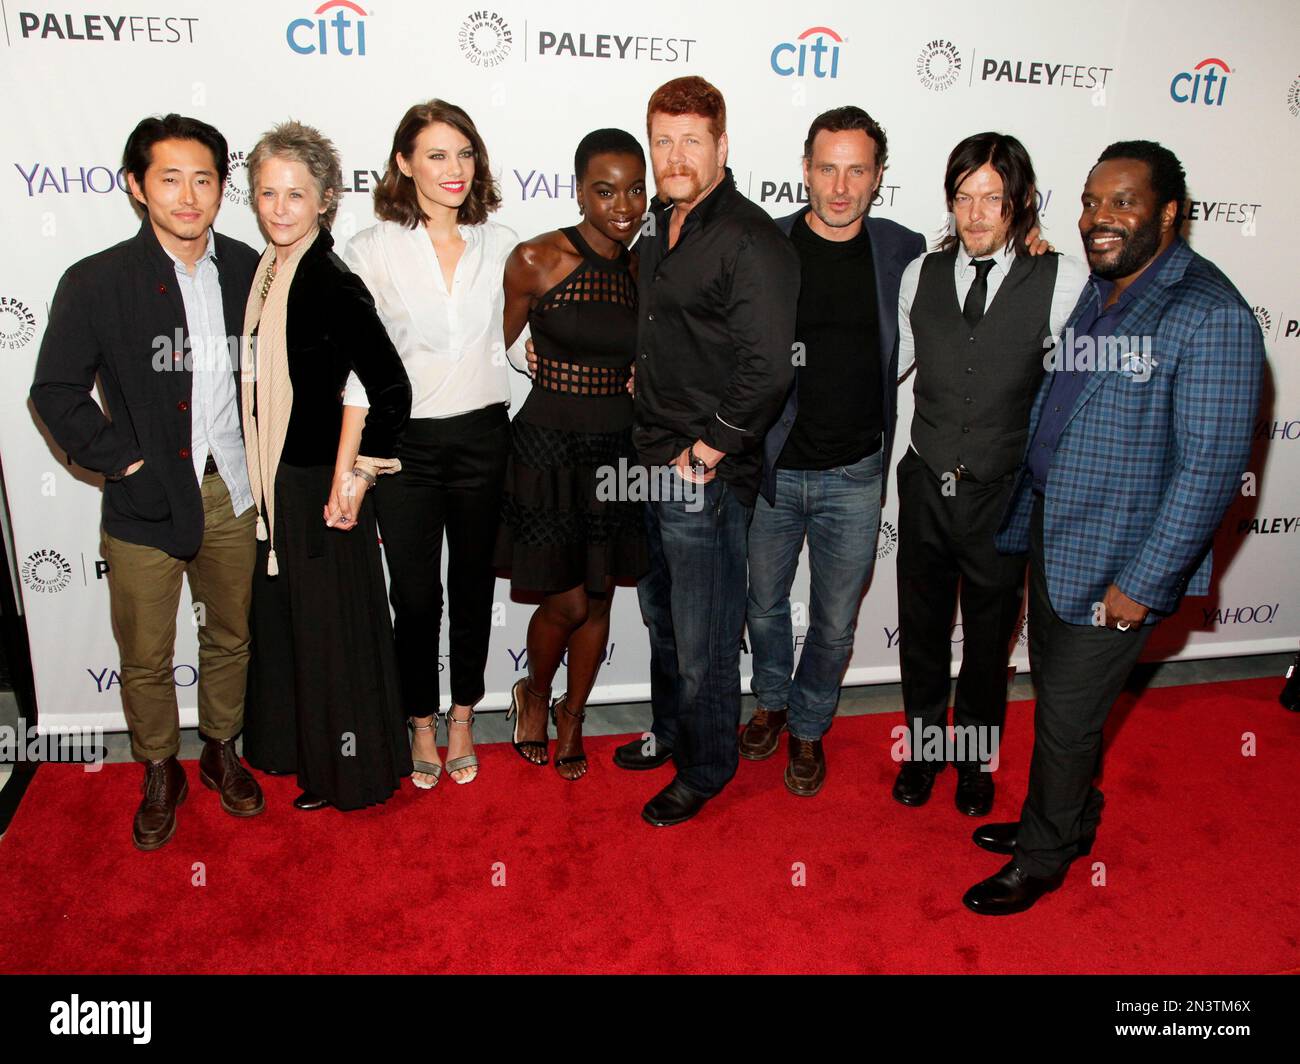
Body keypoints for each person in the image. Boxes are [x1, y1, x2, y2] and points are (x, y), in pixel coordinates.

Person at [963, 140, 1264, 914]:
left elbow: (1207, 472)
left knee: (1063, 718)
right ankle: (1067, 822)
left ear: (1169, 213)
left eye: (1123, 202)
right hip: (1061, 538)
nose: (1101, 217)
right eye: (1093, 201)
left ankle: (1042, 858)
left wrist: (1144, 582)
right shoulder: (1109, 287)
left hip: (1122, 563)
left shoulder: (1211, 313)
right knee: (1072, 708)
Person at [31, 114, 263, 850]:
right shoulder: (96, 280)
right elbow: (56, 391)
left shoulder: (252, 268)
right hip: (143, 499)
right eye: (170, 177)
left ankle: (223, 749)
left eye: (204, 178)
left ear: (222, 187)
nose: (189, 195)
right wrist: (125, 465)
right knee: (145, 653)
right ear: (136, 186)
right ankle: (161, 766)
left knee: (230, 636)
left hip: (233, 489)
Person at [618, 75, 800, 826]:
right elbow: (677, 325)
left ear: (723, 145)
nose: (674, 154)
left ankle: (708, 766)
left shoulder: (751, 238)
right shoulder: (663, 224)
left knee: (703, 638)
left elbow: (770, 367)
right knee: (663, 617)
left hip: (702, 474)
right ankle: (670, 732)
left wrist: (705, 454)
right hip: (650, 456)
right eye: (663, 140)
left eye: (691, 140)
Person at [891, 133, 1088, 818]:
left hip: (1003, 496)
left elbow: (1081, 385)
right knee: (919, 634)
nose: (975, 214)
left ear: (1020, 202)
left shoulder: (1060, 278)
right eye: (963, 197)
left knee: (986, 642)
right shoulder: (921, 273)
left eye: (992, 199)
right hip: (924, 486)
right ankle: (922, 751)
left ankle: (972, 760)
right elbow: (897, 363)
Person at [743, 106, 925, 797]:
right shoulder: (767, 243)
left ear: (878, 177)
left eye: (857, 170)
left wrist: (1026, 243)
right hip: (773, 470)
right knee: (761, 606)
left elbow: (980, 270)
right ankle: (769, 702)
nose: (841, 186)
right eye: (827, 168)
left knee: (835, 622)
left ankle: (809, 729)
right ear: (806, 171)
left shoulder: (903, 250)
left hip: (856, 474)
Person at [341, 100, 517, 788]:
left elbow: (525, 344)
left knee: (472, 587)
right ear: (403, 162)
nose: (453, 169)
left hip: (484, 438)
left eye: (464, 153)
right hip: (402, 448)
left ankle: (465, 712)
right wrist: (354, 464)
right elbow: (361, 369)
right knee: (415, 598)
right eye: (436, 154)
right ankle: (419, 719)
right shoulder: (370, 249)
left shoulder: (504, 245)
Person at [239, 121, 413, 811]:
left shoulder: (330, 282)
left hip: (318, 485)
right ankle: (307, 758)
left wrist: (361, 473)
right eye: (266, 193)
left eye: (295, 195)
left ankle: (351, 777)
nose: (280, 208)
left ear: (325, 200)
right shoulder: (269, 270)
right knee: (296, 634)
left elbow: (390, 388)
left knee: (331, 638)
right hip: (277, 481)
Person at [495, 128, 649, 781]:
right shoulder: (536, 258)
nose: (624, 204)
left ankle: (574, 713)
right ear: (579, 189)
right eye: (606, 189)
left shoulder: (650, 265)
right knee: (567, 602)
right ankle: (533, 690)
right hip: (548, 445)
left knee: (603, 594)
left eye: (636, 188)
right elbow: (493, 354)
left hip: (619, 443)